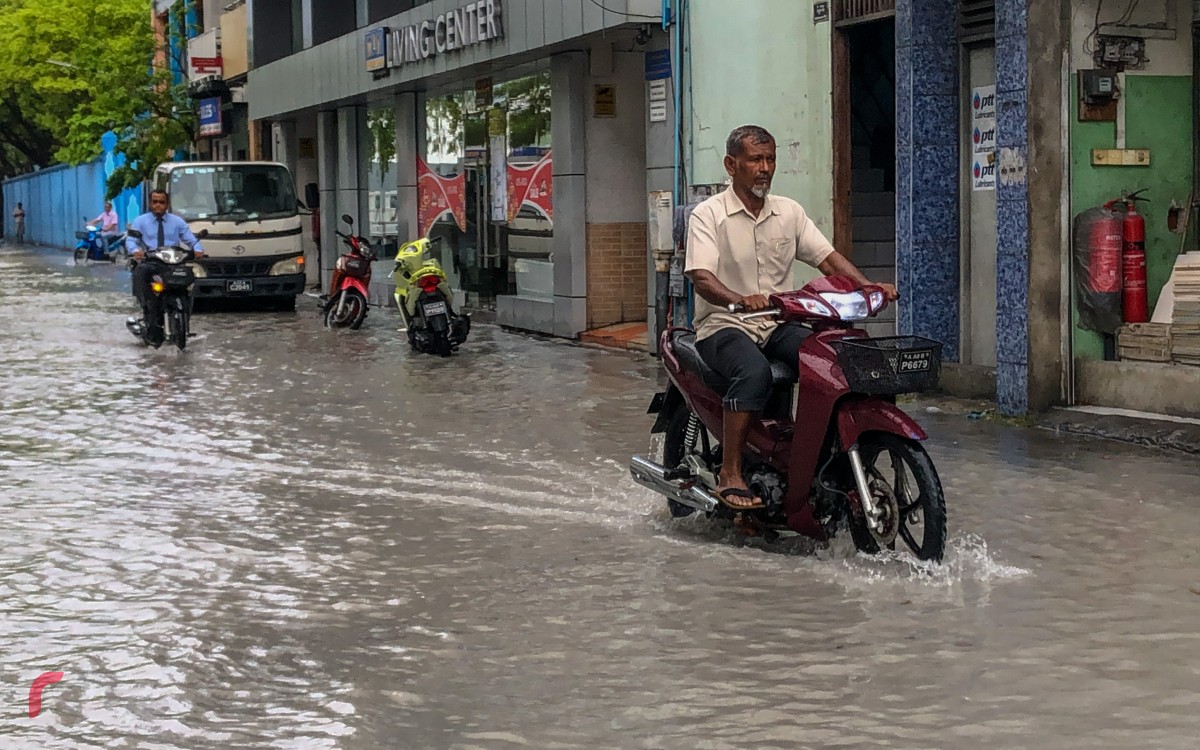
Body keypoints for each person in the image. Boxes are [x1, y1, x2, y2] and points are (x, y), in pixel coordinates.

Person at [685, 125, 899, 511]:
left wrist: (870, 286)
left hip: (776, 323)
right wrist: (738, 299)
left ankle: (813, 458)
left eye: (770, 160)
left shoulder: (789, 212)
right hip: (724, 325)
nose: (764, 168)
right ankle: (729, 473)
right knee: (754, 373)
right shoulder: (708, 215)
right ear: (731, 165)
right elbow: (701, 277)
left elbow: (827, 258)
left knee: (831, 360)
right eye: (755, 160)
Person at [125, 190, 204, 337]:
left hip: (173, 263)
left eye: (161, 202)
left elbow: (191, 240)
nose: (158, 205)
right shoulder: (140, 221)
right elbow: (131, 241)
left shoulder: (177, 222)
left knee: (190, 278)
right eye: (155, 202)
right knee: (141, 271)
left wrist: (198, 250)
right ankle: (146, 307)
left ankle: (185, 317)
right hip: (151, 262)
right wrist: (135, 251)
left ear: (167, 205)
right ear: (150, 204)